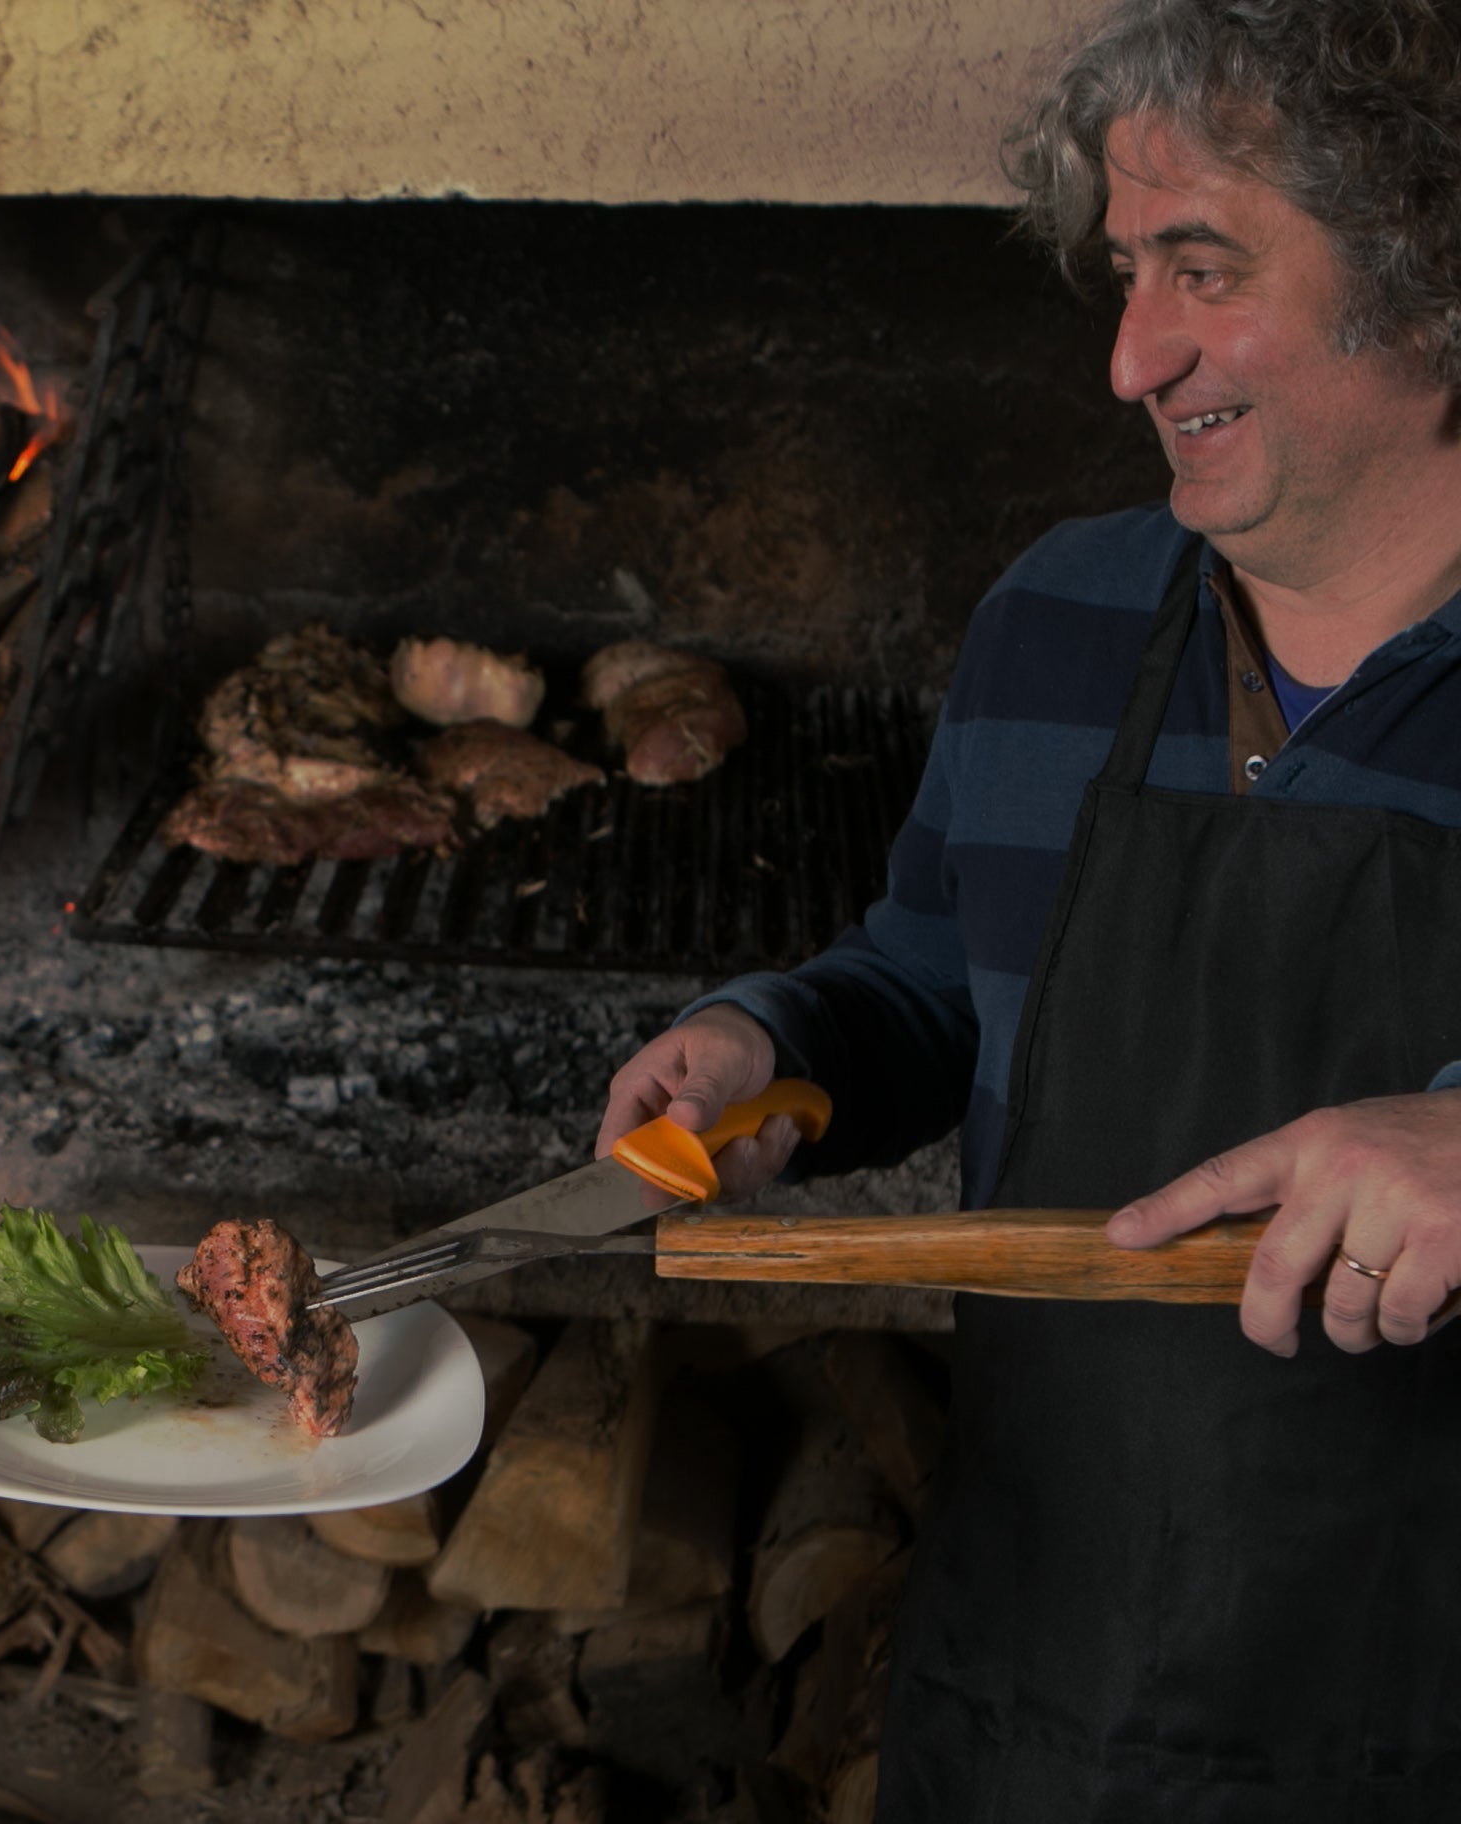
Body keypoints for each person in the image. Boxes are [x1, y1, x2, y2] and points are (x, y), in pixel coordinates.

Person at [597, 2, 1461, 1817]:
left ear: (1429, 277)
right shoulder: (1057, 615)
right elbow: (930, 974)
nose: (1131, 356)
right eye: (1128, 273)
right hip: (1037, 1693)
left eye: (1202, 270)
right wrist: (776, 1044)